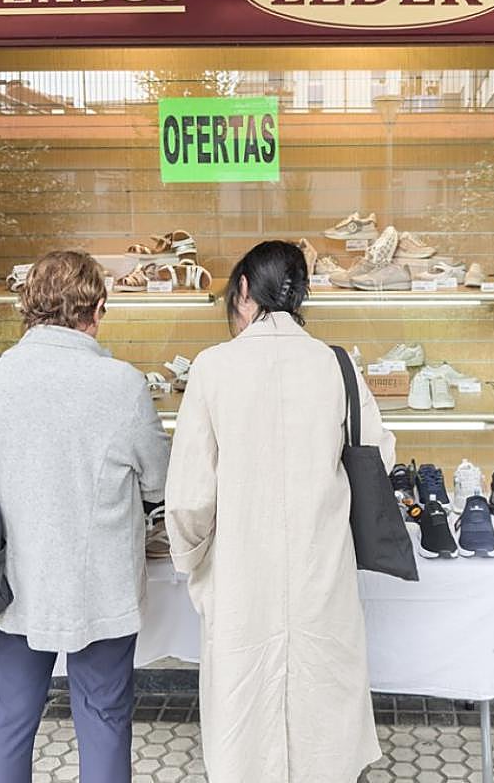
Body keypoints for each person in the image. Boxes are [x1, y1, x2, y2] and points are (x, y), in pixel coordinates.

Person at [165, 240, 395, 783]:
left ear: (243, 290)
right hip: (321, 572)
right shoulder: (336, 366)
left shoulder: (214, 367)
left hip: (242, 575)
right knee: (324, 722)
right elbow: (378, 454)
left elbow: (189, 495)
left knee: (246, 722)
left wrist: (191, 560)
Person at [0, 250, 170, 782]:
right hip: (100, 584)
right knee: (104, 716)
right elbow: (159, 480)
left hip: (11, 578)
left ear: (28, 305)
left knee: (11, 715)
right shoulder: (121, 383)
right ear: (97, 308)